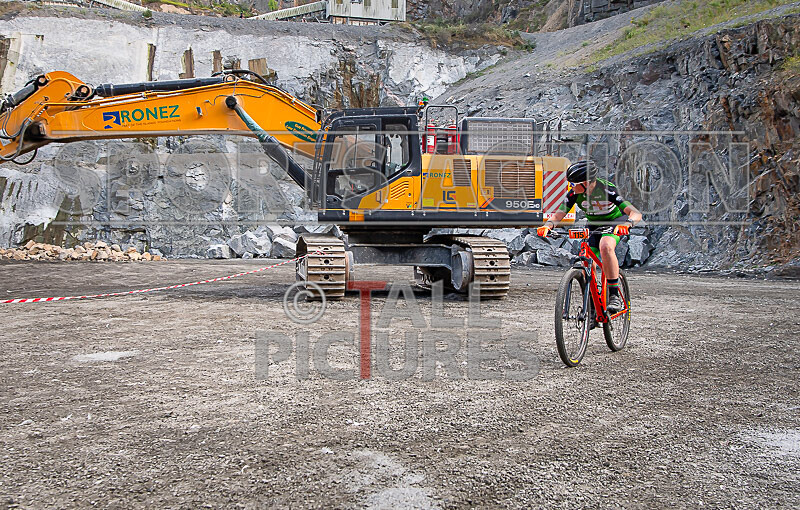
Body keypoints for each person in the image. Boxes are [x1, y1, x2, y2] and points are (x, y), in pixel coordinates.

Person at [537, 160, 643, 313]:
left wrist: (627, 224)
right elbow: (559, 215)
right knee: (585, 261)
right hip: (593, 224)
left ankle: (614, 295)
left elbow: (635, 213)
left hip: (614, 222)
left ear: (586, 183)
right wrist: (548, 226)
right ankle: (592, 307)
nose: (571, 187)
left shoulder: (607, 190)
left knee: (606, 246)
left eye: (573, 184)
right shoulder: (574, 194)